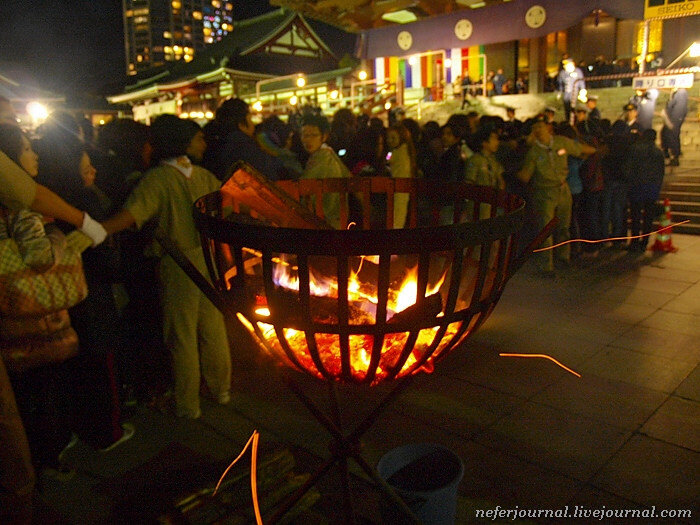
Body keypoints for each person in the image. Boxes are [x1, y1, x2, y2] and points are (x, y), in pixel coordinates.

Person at [103, 115, 232, 420]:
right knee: (213, 328)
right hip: (209, 260)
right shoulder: (204, 176)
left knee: (181, 335)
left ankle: (188, 404)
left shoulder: (157, 179)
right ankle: (221, 389)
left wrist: (94, 229)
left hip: (177, 265)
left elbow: (132, 214)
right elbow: (227, 210)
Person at [35, 125, 134, 451]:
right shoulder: (84, 202)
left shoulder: (43, 202)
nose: (92, 169)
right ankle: (109, 434)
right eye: (84, 164)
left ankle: (76, 429)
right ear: (70, 167)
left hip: (59, 305)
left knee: (73, 372)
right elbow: (109, 263)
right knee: (101, 369)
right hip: (93, 300)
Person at [517, 116, 595, 276]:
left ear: (548, 127)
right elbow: (525, 176)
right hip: (544, 192)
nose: (538, 130)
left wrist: (595, 150)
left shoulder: (561, 142)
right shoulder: (534, 152)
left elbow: (580, 149)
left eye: (541, 126)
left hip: (562, 189)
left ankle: (563, 258)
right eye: (535, 128)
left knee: (564, 226)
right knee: (545, 229)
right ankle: (546, 265)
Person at [202, 97, 284, 180]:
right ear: (241, 125)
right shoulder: (246, 147)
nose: (253, 125)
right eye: (250, 119)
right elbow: (270, 175)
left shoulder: (215, 146)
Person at [299, 114, 354, 229]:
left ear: (323, 137)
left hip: (325, 221)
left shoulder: (321, 158)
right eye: (304, 135)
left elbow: (303, 187)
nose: (308, 140)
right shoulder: (328, 152)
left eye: (313, 135)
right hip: (337, 219)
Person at [624, 129, 665, 252]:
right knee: (648, 217)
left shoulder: (635, 149)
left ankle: (635, 241)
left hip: (637, 186)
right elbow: (661, 172)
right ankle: (645, 242)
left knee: (636, 215)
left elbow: (628, 168)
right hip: (652, 188)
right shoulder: (658, 152)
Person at [386, 123, 416, 228]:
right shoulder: (405, 151)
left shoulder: (399, 153)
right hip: (401, 188)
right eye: (388, 138)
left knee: (397, 216)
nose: (389, 140)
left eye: (393, 138)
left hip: (399, 188)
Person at [661, 87, 688, 166]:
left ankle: (675, 157)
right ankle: (670, 153)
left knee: (672, 136)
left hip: (674, 118)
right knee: (666, 133)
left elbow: (679, 109)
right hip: (672, 117)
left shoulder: (681, 93)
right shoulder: (677, 92)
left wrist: (672, 122)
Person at [556, 58, 587, 124]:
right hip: (566, 94)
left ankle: (576, 122)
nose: (565, 66)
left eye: (567, 64)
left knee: (574, 109)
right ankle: (569, 122)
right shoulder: (562, 73)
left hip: (575, 93)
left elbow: (581, 82)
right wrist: (559, 92)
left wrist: (582, 90)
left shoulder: (577, 71)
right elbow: (560, 84)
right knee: (567, 109)